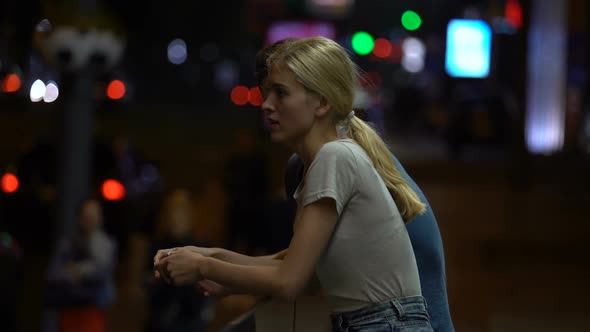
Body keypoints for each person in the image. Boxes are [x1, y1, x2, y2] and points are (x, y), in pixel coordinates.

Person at [154, 36, 433, 331]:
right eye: (266, 93)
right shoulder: (327, 160)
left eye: (281, 93)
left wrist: (203, 266)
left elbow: (289, 282)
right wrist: (204, 256)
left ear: (322, 102)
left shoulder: (334, 157)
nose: (266, 105)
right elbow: (288, 265)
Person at [44, 198, 117, 332]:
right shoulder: (67, 244)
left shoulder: (107, 244)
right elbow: (53, 275)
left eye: (94, 216)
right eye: (87, 216)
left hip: (93, 312)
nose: (90, 220)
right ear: (80, 218)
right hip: (69, 310)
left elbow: (102, 274)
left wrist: (77, 269)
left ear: (100, 218)